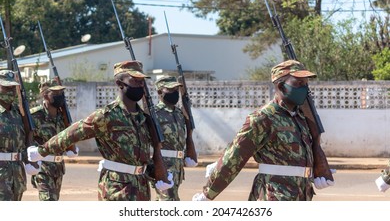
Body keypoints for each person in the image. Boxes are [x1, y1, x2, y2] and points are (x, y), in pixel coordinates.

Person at [28, 61, 172, 201]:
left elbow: (141, 156)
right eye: (134, 80)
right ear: (120, 83)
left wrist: (158, 173)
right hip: (116, 189)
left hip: (141, 188)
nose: (140, 85)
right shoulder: (106, 116)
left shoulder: (144, 119)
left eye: (142, 81)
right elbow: (70, 134)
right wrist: (42, 151)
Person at [193, 60, 334, 201]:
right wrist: (207, 195)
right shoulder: (264, 118)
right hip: (273, 196)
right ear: (281, 86)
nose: (305, 89)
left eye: (306, 84)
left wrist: (315, 169)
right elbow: (234, 157)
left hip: (302, 196)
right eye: (298, 84)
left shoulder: (301, 118)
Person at [29, 80, 79, 201]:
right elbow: (28, 139)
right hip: (43, 167)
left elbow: (67, 139)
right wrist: (30, 161)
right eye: (55, 93)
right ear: (45, 95)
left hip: (58, 168)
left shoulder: (63, 117)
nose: (60, 96)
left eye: (61, 92)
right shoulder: (35, 116)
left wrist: (72, 146)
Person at [152, 75, 198, 201]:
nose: (174, 93)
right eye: (170, 90)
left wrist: (188, 153)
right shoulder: (154, 113)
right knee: (168, 200)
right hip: (163, 164)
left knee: (170, 199)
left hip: (177, 166)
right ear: (160, 92)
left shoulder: (179, 113)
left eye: (176, 90)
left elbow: (186, 136)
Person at [0, 69, 39, 200]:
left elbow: (27, 137)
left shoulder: (19, 113)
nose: (10, 91)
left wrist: (29, 160)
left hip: (17, 174)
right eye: (6, 87)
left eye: (13, 88)